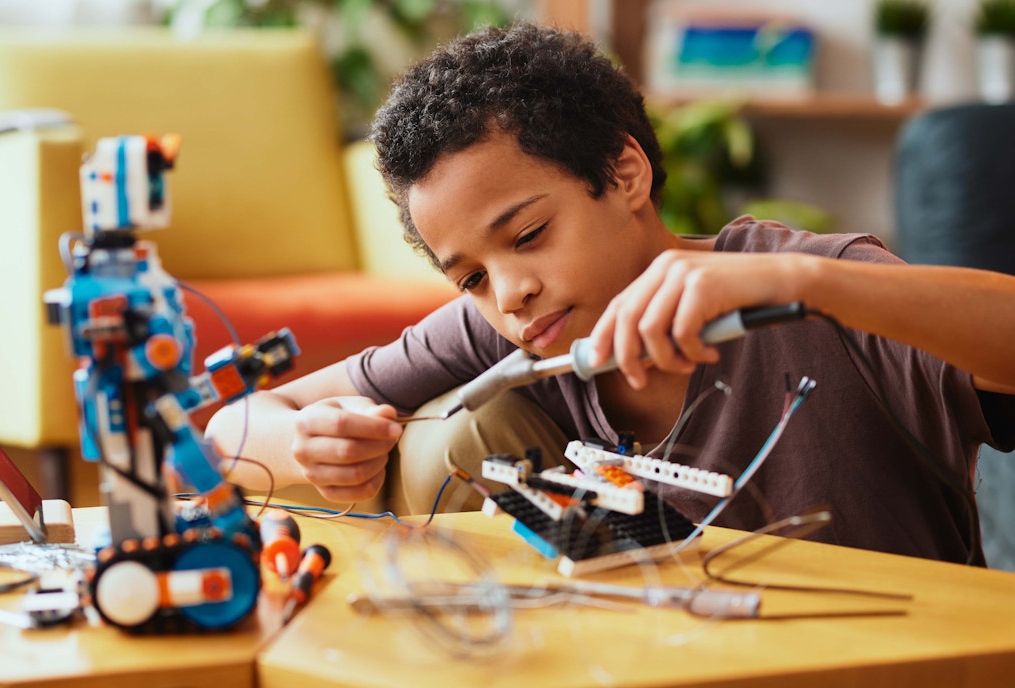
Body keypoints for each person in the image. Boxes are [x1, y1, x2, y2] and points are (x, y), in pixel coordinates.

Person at [206, 23, 1015, 566]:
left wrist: (806, 283)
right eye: (472, 278)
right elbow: (232, 425)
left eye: (527, 237)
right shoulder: (517, 331)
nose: (511, 293)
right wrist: (307, 442)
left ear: (624, 173)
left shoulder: (807, 287)